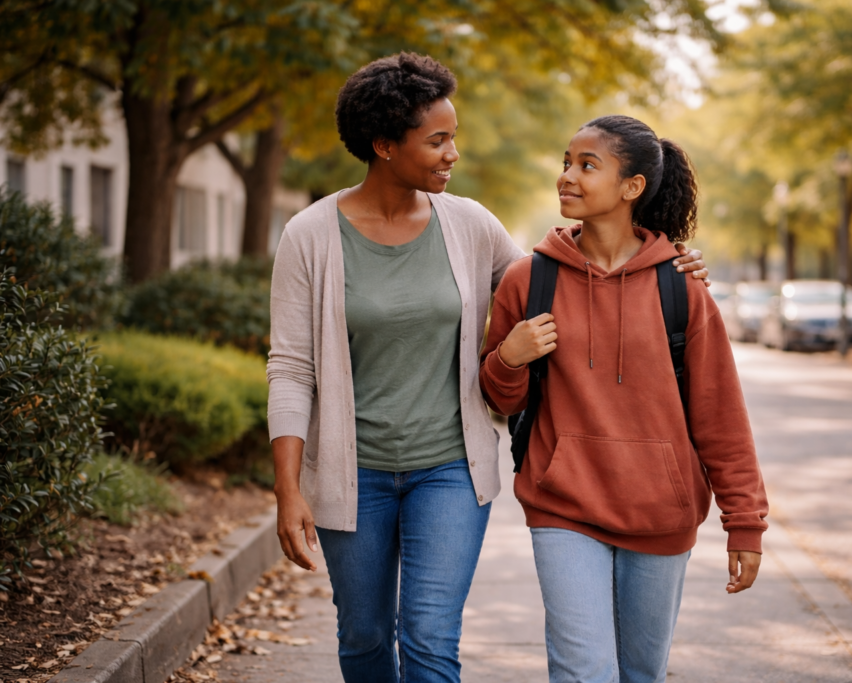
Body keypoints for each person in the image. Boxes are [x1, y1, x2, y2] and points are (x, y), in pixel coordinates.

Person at [266, 55, 711, 682]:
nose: (453, 153)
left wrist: (666, 261)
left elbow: (567, 275)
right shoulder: (309, 235)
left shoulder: (469, 225)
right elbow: (290, 368)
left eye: (455, 137)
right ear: (384, 146)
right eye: (438, 140)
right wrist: (288, 489)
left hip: (449, 468)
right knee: (363, 636)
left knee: (428, 638)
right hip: (352, 471)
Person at [480, 114, 769, 683]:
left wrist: (746, 522)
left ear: (632, 187)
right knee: (581, 670)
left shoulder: (681, 288)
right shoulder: (528, 280)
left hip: (660, 513)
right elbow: (501, 401)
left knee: (641, 673)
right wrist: (508, 358)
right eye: (566, 162)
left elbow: (720, 416)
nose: (567, 176)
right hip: (562, 505)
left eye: (587, 165)